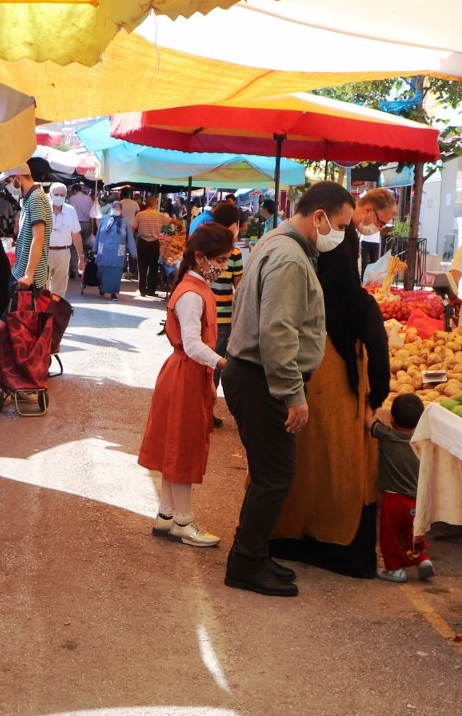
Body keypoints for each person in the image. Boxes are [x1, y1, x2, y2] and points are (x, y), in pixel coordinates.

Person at [221, 181, 355, 598]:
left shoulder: (278, 242)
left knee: (270, 474)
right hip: (261, 377)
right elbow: (277, 332)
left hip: (254, 373)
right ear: (319, 217)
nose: (343, 234)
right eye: (341, 224)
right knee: (275, 477)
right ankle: (245, 563)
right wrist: (293, 394)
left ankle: (254, 554)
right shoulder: (289, 257)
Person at [268, 188, 393, 579]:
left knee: (300, 461)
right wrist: (376, 395)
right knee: (339, 464)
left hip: (301, 379)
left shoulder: (299, 274)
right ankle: (333, 545)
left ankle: (282, 535)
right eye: (340, 225)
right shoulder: (357, 304)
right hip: (337, 384)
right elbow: (379, 350)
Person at [139, 225, 236, 547]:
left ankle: (167, 514)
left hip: (185, 373)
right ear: (199, 257)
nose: (222, 267)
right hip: (187, 374)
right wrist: (225, 364)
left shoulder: (193, 287)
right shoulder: (193, 293)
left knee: (175, 446)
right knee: (182, 448)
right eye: (219, 260)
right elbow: (194, 345)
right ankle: (183, 521)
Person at [370, 393, 432, 583]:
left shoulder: (387, 436)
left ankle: (395, 569)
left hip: (393, 500)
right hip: (417, 501)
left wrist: (367, 402)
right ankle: (422, 560)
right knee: (412, 533)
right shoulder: (423, 442)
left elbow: (368, 423)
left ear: (393, 418)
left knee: (390, 536)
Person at [207, 202, 245, 423]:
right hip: (222, 319)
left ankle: (197, 407)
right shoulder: (234, 253)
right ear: (233, 226)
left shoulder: (204, 248)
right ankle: (206, 410)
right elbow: (239, 288)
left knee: (202, 363)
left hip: (202, 315)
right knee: (216, 366)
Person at [0, 164, 51, 293]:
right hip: (21, 273)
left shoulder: (36, 198)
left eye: (8, 181)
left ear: (18, 177)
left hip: (28, 280)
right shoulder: (28, 198)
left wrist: (29, 275)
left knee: (23, 313)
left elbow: (38, 238)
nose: (7, 186)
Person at [46, 182, 82, 296]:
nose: (59, 197)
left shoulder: (70, 210)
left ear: (66, 195)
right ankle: (43, 313)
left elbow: (76, 235)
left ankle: (56, 313)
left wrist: (81, 257)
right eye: (56, 194)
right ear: (50, 195)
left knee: (59, 290)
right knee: (42, 288)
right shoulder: (43, 209)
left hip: (63, 253)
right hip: (45, 252)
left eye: (62, 195)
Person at [93, 199, 131, 300]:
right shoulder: (104, 219)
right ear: (112, 208)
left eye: (119, 208)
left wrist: (133, 252)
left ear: (121, 210)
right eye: (115, 207)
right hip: (104, 250)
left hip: (117, 252)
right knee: (102, 271)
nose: (116, 209)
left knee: (116, 273)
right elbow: (98, 234)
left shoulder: (125, 222)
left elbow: (130, 238)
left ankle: (113, 292)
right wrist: (95, 247)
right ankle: (102, 286)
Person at [133, 194, 168, 297]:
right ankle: (151, 290)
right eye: (156, 203)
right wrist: (180, 224)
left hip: (142, 242)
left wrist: (131, 239)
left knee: (142, 267)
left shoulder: (139, 214)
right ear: (154, 204)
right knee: (153, 267)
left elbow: (133, 227)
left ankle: (142, 290)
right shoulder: (159, 215)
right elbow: (171, 221)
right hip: (154, 243)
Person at [67, 183, 95, 248]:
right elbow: (92, 213)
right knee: (86, 244)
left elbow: (70, 212)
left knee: (76, 243)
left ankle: (79, 256)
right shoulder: (88, 198)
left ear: (74, 190)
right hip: (87, 224)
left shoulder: (72, 198)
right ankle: (85, 256)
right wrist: (92, 226)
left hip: (76, 224)